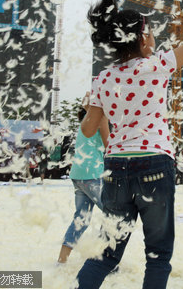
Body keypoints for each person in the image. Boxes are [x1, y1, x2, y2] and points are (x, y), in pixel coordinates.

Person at [75, 0, 183, 289]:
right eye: (149, 30)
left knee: (106, 254)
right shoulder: (158, 65)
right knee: (158, 255)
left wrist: (97, 106)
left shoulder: (103, 78)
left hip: (116, 167)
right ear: (138, 38)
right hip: (154, 161)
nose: (154, 35)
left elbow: (88, 130)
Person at [59, 106, 109, 264]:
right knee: (113, 214)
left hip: (78, 175)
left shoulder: (83, 124)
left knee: (81, 219)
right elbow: (109, 144)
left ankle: (61, 260)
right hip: (92, 173)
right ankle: (105, 260)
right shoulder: (100, 119)